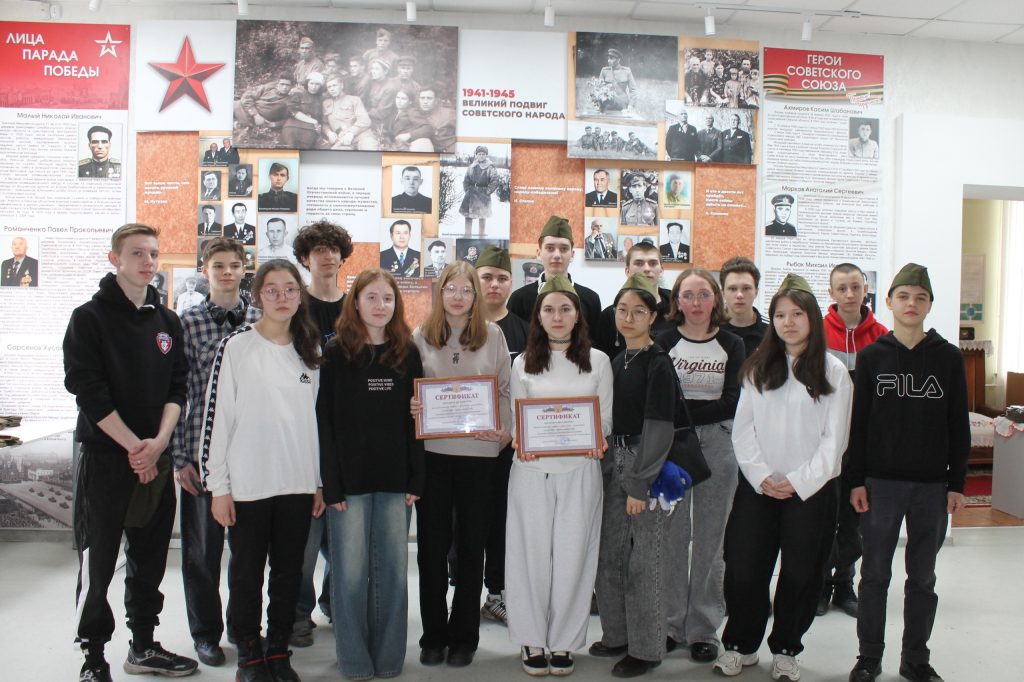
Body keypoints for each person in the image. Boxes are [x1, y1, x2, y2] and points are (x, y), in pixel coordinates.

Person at [63, 223, 197, 682]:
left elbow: (178, 386)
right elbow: (87, 390)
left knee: (150, 557)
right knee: (99, 561)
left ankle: (143, 646)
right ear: (114, 259)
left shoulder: (168, 322)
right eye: (137, 253)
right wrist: (133, 447)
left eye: (153, 253)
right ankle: (94, 656)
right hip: (106, 458)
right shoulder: (88, 318)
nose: (147, 261)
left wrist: (157, 444)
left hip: (155, 457)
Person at [715, 274, 853, 681]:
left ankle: (787, 648)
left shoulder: (833, 372)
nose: (788, 323)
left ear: (811, 318)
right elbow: (743, 431)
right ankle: (740, 644)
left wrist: (798, 481)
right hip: (759, 488)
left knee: (801, 573)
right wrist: (761, 476)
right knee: (744, 568)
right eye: (779, 315)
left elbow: (835, 441)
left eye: (796, 314)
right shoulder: (758, 368)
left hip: (810, 491)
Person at [201, 259, 324, 682]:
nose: (282, 297)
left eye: (290, 289)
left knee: (289, 574)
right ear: (258, 296)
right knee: (247, 574)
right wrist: (218, 487)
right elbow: (217, 420)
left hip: (297, 483)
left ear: (300, 296)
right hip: (248, 485)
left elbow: (315, 424)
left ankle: (278, 649)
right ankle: (249, 654)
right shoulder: (237, 347)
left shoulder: (310, 352)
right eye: (272, 290)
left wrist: (318, 482)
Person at [846, 264, 969, 682]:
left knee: (922, 578)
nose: (911, 304)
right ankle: (869, 656)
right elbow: (859, 424)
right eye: (903, 296)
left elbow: (958, 424)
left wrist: (956, 484)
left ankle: (915, 658)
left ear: (930, 304)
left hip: (931, 487)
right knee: (874, 575)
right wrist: (856, 480)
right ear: (889, 302)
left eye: (920, 297)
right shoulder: (872, 357)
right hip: (880, 485)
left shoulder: (948, 358)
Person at [318, 269, 423, 680]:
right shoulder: (335, 352)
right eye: (372, 298)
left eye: (388, 299)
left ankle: (389, 658)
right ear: (356, 302)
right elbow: (325, 421)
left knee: (393, 573)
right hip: (349, 483)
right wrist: (331, 485)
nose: (381, 306)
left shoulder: (407, 352)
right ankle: (354, 660)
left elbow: (417, 419)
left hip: (396, 479)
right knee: (349, 575)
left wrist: (417, 478)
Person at [507, 275, 613, 676]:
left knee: (574, 556)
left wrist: (594, 439)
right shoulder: (522, 362)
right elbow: (517, 421)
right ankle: (531, 638)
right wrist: (523, 439)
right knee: (529, 556)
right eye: (549, 309)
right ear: (538, 316)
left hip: (581, 470)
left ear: (577, 315)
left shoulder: (598, 361)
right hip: (531, 471)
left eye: (565, 308)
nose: (557, 316)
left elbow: (605, 419)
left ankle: (565, 641)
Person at [412, 261, 513, 668]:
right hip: (433, 456)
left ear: (475, 295)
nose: (458, 297)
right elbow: (410, 391)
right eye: (450, 289)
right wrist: (412, 406)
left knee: (473, 549)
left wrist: (506, 431)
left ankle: (464, 637)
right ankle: (433, 636)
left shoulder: (493, 335)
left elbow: (505, 390)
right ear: (440, 293)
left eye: (466, 290)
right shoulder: (421, 335)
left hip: (480, 457)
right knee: (431, 550)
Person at [171, 238, 260, 669]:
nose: (227, 272)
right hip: (201, 452)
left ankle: (244, 629)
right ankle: (205, 634)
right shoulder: (187, 323)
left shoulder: (261, 319)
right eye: (218, 265)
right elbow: (177, 392)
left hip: (251, 453)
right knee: (201, 553)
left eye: (235, 265)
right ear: (204, 270)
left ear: (245, 270)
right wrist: (179, 456)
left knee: (247, 554)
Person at [655, 269, 745, 666]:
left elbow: (732, 400)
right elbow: (660, 397)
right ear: (677, 300)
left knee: (711, 539)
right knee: (673, 537)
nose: (696, 303)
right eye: (688, 295)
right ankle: (671, 625)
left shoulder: (732, 343)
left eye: (704, 294)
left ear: (715, 300)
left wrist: (686, 411)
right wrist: (689, 414)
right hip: (673, 445)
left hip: (719, 443)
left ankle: (704, 629)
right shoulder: (664, 341)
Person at [589, 273, 676, 678]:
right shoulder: (617, 360)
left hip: (645, 464)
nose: (628, 318)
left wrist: (640, 484)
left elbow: (660, 427)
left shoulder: (658, 363)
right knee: (609, 553)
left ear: (653, 317)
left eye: (638, 311)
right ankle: (617, 634)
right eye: (622, 310)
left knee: (644, 560)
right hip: (613, 458)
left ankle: (646, 648)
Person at [291, 220, 355, 647]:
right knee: (304, 535)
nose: (328, 255)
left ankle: (335, 601)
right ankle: (298, 612)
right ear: (305, 258)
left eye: (334, 249)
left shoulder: (355, 307)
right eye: (319, 249)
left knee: (343, 532)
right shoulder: (295, 306)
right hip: (302, 429)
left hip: (345, 431)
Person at [818, 263, 888, 620]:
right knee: (822, 514)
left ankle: (844, 582)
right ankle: (819, 583)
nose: (849, 294)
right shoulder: (816, 331)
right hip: (823, 439)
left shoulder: (881, 335)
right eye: (842, 288)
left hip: (863, 442)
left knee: (854, 516)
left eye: (855, 287)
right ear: (831, 292)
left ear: (865, 290)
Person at [507, 216, 603, 335]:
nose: (557, 255)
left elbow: (594, 342)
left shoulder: (590, 299)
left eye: (563, 249)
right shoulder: (519, 299)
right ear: (539, 253)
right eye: (550, 248)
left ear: (572, 255)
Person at [593, 241, 674, 359]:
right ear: (627, 271)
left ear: (661, 270)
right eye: (639, 263)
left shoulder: (678, 308)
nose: (646, 268)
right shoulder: (610, 315)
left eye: (653, 263)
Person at [719, 256, 769, 359]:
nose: (739, 295)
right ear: (723, 293)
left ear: (756, 292)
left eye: (746, 288)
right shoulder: (710, 329)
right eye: (732, 289)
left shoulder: (771, 330)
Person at [321, 73, 376, 151]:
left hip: (361, 135)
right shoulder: (326, 103)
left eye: (334, 85)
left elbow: (365, 120)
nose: (331, 89)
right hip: (342, 140)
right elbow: (324, 123)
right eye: (329, 87)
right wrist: (329, 133)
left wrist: (351, 133)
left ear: (342, 85)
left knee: (369, 148)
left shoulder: (354, 100)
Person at [460, 145, 500, 235]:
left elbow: (495, 181)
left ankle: (481, 236)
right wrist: (467, 190)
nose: (481, 156)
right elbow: (466, 179)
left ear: (486, 155)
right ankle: (467, 235)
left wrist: (487, 192)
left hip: (483, 195)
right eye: (479, 154)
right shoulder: (472, 166)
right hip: (471, 194)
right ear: (476, 155)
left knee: (482, 216)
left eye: (483, 154)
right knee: (468, 215)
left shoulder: (490, 167)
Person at [282, 72, 325, 149]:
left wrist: (319, 129)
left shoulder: (322, 99)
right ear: (307, 83)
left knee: (304, 148)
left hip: (310, 129)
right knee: (290, 146)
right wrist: (313, 121)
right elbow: (292, 110)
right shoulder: (299, 94)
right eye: (311, 83)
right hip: (292, 126)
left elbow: (322, 118)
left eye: (317, 84)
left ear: (321, 86)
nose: (314, 87)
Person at [407, 87, 457, 153]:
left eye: (429, 98)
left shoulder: (448, 113)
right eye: (422, 98)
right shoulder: (415, 114)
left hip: (448, 150)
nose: (425, 102)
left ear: (436, 100)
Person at [596, 48, 637, 114]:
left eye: (612, 58)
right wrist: (599, 105)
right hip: (607, 105)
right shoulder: (604, 71)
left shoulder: (626, 71)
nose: (609, 61)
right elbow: (599, 89)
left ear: (618, 59)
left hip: (622, 105)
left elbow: (633, 90)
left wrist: (631, 105)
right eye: (608, 58)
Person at [364, 58, 398, 128]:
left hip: (381, 123)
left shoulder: (390, 88)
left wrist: (363, 114)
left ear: (385, 71)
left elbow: (381, 113)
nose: (373, 71)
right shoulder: (373, 82)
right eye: (372, 68)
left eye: (377, 69)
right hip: (369, 116)